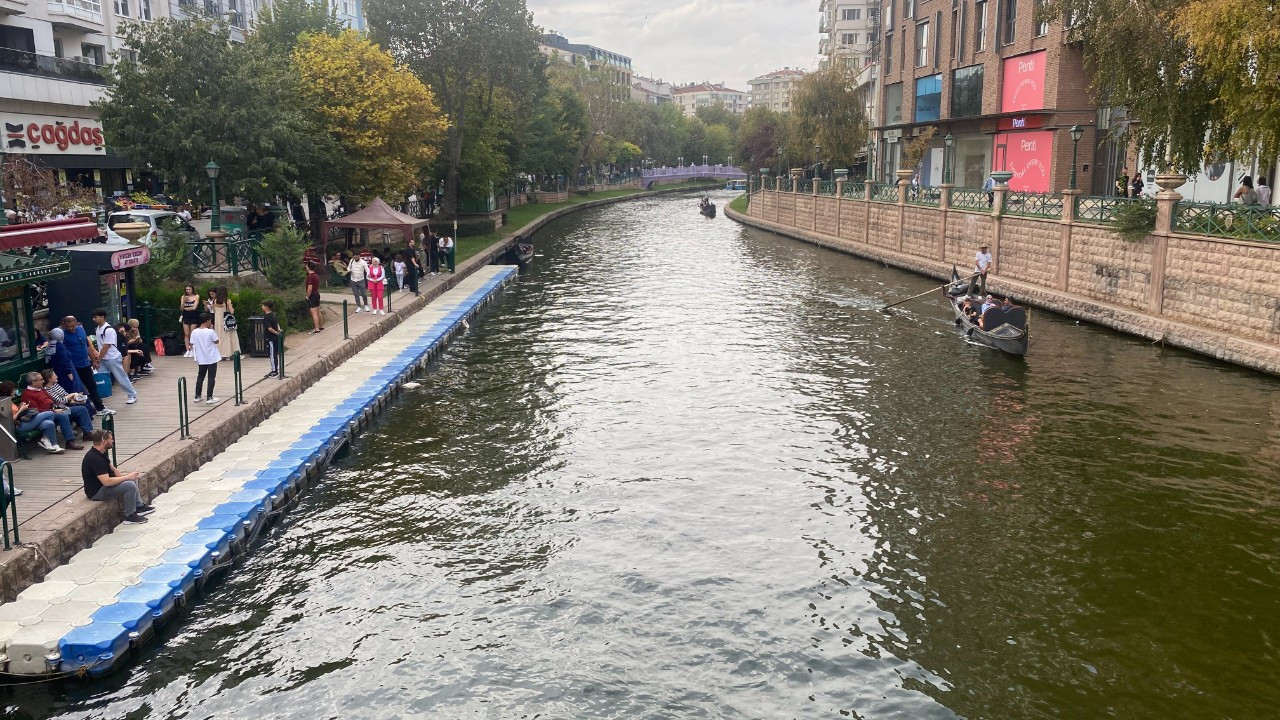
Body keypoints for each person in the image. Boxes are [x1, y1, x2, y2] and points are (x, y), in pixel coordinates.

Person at [82, 429, 152, 524]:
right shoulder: (95, 459)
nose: (113, 441)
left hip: (103, 486)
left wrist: (126, 477)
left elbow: (113, 469)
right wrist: (126, 478)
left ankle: (139, 506)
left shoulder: (99, 454)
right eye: (111, 439)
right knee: (129, 485)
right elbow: (106, 482)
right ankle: (130, 516)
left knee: (132, 479)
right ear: (104, 441)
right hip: (96, 492)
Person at [22, 371, 91, 446]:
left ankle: (87, 433)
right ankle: (70, 441)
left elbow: (52, 401)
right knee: (63, 415)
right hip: (46, 415)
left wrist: (71, 401)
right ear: (33, 382)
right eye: (41, 380)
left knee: (81, 409)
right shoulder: (28, 394)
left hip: (55, 409)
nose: (43, 381)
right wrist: (54, 411)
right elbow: (35, 411)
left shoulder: (41, 390)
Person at [3, 379, 71, 453]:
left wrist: (20, 407)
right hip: (21, 425)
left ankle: (54, 445)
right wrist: (21, 410)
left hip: (26, 421)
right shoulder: (4, 403)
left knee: (49, 423)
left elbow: (15, 412)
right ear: (8, 391)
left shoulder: (10, 401)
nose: (14, 392)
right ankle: (45, 439)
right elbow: (11, 419)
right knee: (50, 413)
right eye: (13, 390)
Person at [61, 316, 108, 415]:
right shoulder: (63, 335)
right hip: (74, 366)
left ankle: (99, 408)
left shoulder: (81, 330)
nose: (70, 328)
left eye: (72, 326)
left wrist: (94, 360)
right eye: (68, 326)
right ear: (64, 325)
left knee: (92, 386)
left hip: (85, 363)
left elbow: (88, 346)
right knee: (77, 389)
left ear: (76, 323)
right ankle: (84, 410)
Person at [92, 309, 138, 406]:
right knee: (101, 378)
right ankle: (102, 397)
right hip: (103, 358)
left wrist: (97, 360)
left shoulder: (109, 330)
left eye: (96, 317)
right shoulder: (98, 329)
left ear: (102, 317)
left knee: (121, 377)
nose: (94, 319)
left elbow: (106, 346)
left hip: (112, 358)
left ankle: (132, 395)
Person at [190, 313, 220, 404]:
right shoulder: (210, 332)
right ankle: (209, 397)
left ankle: (197, 395)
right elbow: (216, 341)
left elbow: (191, 344)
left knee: (200, 376)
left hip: (201, 358)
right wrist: (211, 329)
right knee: (211, 377)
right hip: (211, 357)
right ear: (207, 321)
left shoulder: (195, 332)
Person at [43, 326, 83, 394]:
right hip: (64, 372)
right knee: (72, 389)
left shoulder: (50, 346)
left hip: (56, 372)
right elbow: (65, 361)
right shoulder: (61, 347)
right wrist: (69, 373)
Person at [205, 286, 240, 360]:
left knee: (219, 337)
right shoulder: (227, 301)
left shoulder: (215, 301)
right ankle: (230, 353)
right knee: (229, 337)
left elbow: (214, 311)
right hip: (226, 322)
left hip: (218, 322)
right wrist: (231, 306)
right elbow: (231, 311)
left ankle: (221, 353)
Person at [180, 284, 201, 357]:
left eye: (189, 289)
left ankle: (192, 349)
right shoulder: (183, 297)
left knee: (192, 333)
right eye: (187, 289)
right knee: (186, 334)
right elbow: (182, 308)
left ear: (192, 289)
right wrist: (184, 302)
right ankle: (187, 350)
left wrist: (187, 308)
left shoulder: (196, 296)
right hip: (186, 316)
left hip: (193, 315)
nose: (188, 291)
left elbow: (194, 307)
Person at [262, 300, 280, 378]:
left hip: (271, 339)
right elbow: (277, 324)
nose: (262, 307)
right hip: (275, 339)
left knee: (272, 355)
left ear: (266, 307)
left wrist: (276, 333)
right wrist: (279, 331)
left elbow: (269, 328)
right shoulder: (273, 315)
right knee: (275, 354)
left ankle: (274, 372)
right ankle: (275, 369)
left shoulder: (266, 317)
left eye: (263, 305)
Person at [306, 262, 324, 334]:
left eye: (306, 266)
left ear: (308, 267)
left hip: (312, 295)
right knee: (318, 311)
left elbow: (310, 288)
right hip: (317, 294)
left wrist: (307, 296)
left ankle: (317, 329)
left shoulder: (310, 277)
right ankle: (321, 326)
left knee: (314, 313)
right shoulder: (316, 275)